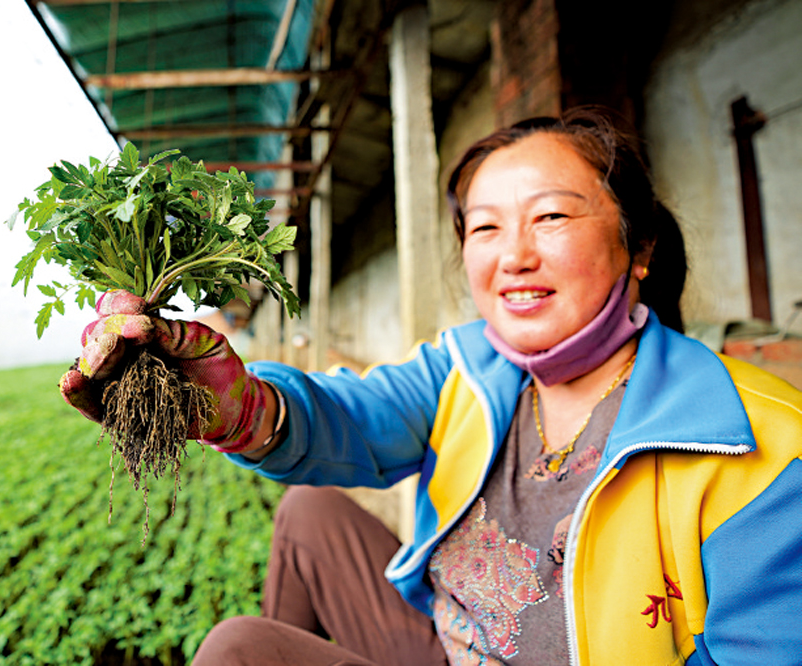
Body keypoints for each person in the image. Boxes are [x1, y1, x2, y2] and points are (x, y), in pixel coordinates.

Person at [60, 108, 802, 665]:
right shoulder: (468, 368)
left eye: (550, 216)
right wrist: (240, 407)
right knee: (310, 510)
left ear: (638, 247)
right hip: (447, 644)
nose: (513, 256)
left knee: (239, 650)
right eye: (485, 228)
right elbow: (353, 418)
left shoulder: (758, 448)